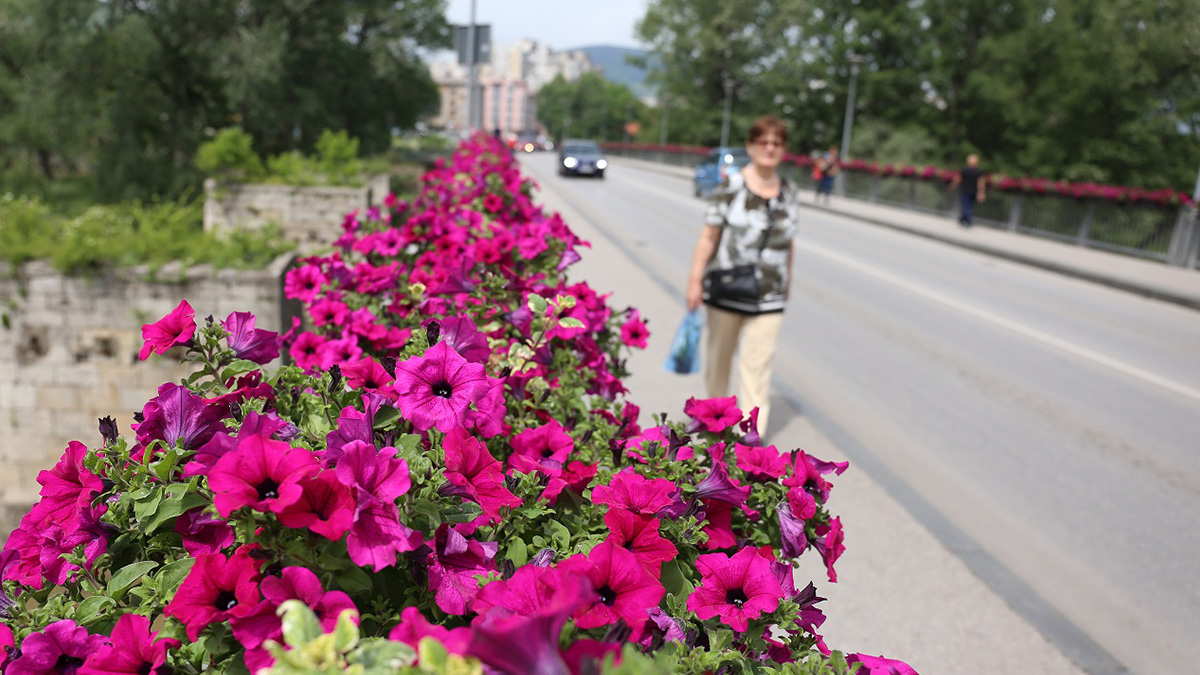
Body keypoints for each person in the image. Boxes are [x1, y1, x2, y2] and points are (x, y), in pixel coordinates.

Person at [685, 115, 799, 435]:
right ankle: (716, 433)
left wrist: (788, 281)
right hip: (727, 289)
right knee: (718, 366)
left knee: (758, 370)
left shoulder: (789, 191)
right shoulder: (731, 186)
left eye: (776, 143)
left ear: (784, 149)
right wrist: (694, 281)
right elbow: (709, 236)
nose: (769, 148)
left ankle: (751, 442)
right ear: (751, 146)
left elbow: (788, 242)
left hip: (770, 295)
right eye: (763, 142)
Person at [950, 154, 987, 227]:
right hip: (974, 192)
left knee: (965, 206)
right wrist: (981, 192)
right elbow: (981, 182)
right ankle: (962, 219)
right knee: (968, 206)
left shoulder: (965, 170)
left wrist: (953, 185)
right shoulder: (978, 171)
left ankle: (968, 220)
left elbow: (958, 179)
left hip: (966, 191)